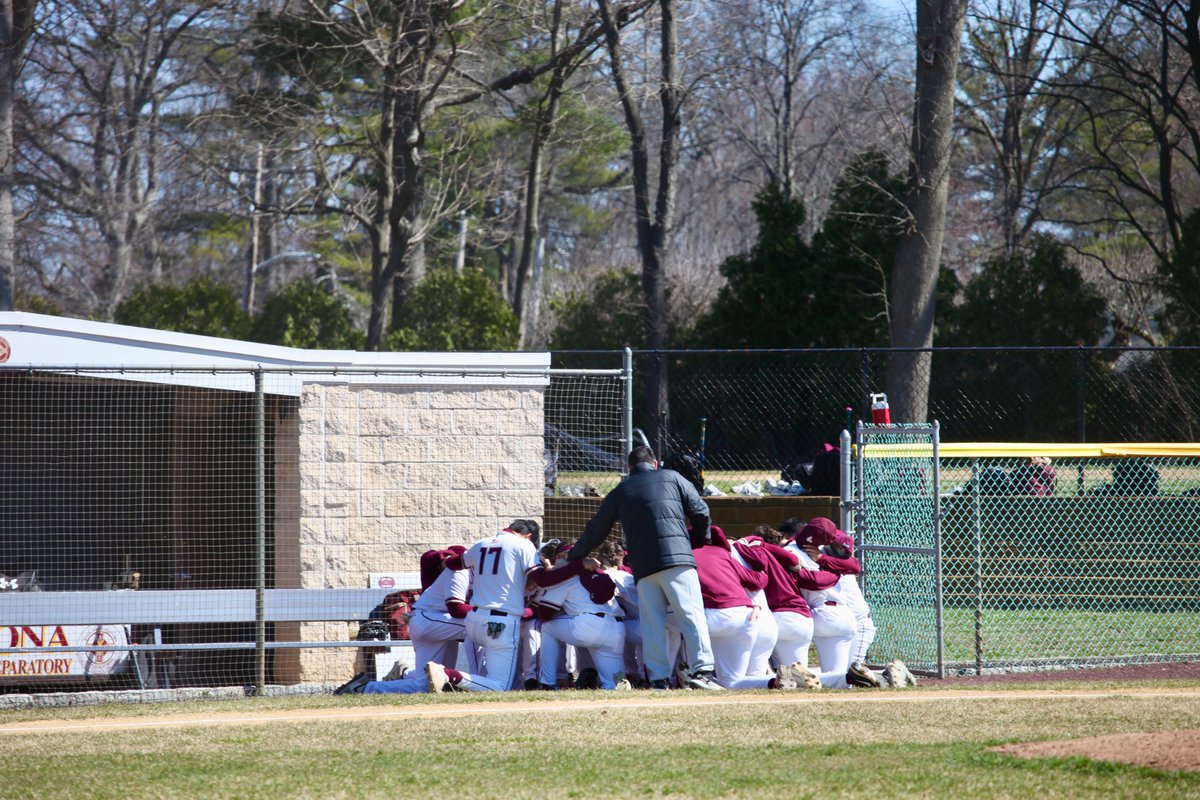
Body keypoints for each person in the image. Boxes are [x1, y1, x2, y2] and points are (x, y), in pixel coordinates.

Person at [568, 446, 722, 691]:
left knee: (652, 624)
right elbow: (700, 510)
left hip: (643, 567)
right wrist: (700, 540)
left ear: (629, 468)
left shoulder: (620, 491)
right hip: (677, 561)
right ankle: (703, 672)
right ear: (655, 463)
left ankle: (659, 678)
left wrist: (573, 556)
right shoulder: (673, 477)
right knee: (691, 616)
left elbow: (596, 530)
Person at [424, 519, 600, 693]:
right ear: (529, 536)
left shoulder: (481, 543)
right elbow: (544, 580)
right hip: (500, 622)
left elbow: (456, 563)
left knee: (489, 676)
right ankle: (449, 675)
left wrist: (444, 561)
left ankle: (447, 679)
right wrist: (578, 566)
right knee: (500, 686)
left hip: (474, 621)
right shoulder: (523, 545)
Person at [532, 541, 629, 691]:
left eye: (562, 556)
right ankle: (617, 684)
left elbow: (545, 613)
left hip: (589, 625)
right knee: (616, 685)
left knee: (548, 627)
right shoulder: (598, 572)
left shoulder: (565, 577)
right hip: (616, 628)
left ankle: (548, 682)